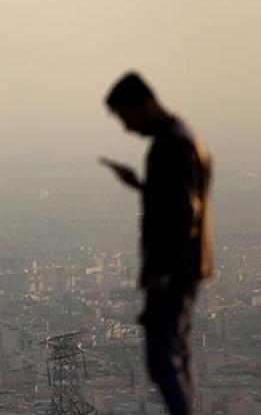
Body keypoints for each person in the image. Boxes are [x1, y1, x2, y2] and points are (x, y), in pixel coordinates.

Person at [101, 72, 212, 415]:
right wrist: (142, 186)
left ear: (144, 104)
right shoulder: (180, 140)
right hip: (182, 267)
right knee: (174, 355)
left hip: (175, 270)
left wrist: (165, 271)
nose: (127, 128)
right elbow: (177, 201)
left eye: (126, 117)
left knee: (163, 359)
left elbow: (184, 215)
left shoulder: (172, 145)